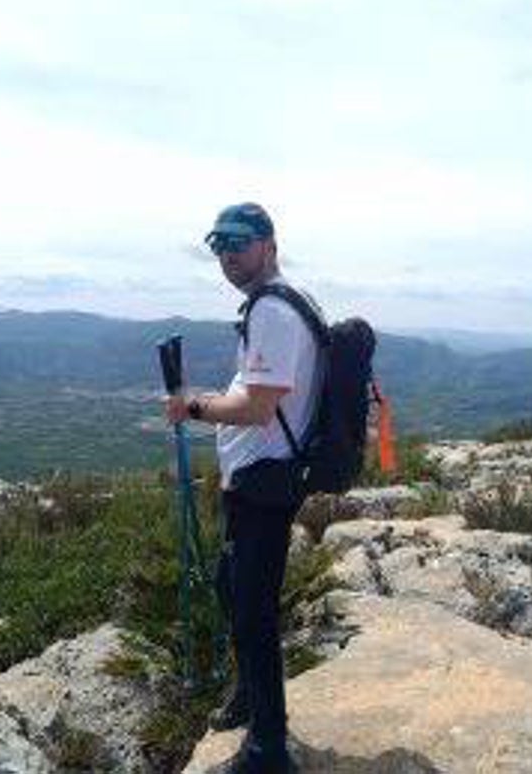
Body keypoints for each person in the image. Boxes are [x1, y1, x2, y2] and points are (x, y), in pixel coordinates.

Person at [166, 202, 322, 774]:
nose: (228, 255)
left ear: (269, 244)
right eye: (218, 245)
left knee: (254, 610)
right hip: (254, 480)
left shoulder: (273, 313)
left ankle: (269, 748)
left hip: (265, 482)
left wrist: (193, 406)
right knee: (233, 586)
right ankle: (249, 695)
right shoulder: (273, 305)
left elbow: (257, 408)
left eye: (238, 241)